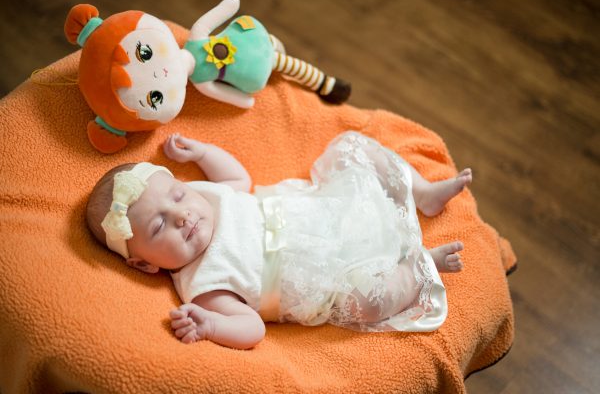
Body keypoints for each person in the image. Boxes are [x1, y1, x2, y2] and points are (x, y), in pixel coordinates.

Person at [86, 131, 472, 349]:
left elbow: (238, 180)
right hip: (324, 276)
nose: (182, 215)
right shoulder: (202, 286)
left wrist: (203, 153)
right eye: (158, 227)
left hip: (322, 208)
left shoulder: (205, 195)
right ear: (144, 263)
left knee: (351, 147)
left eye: (176, 196)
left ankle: (420, 191)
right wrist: (210, 327)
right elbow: (252, 328)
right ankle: (420, 265)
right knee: (365, 303)